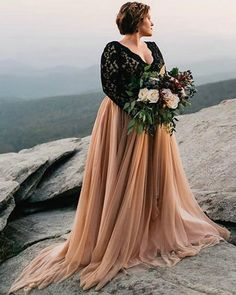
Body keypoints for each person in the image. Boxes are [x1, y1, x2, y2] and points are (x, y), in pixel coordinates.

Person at [8, 1, 231, 294]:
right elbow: (110, 86)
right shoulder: (113, 49)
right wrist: (140, 106)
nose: (153, 23)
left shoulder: (155, 47)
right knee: (123, 171)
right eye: (150, 17)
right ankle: (119, 231)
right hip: (122, 118)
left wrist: (166, 97)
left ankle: (150, 223)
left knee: (153, 171)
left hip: (154, 119)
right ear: (137, 20)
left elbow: (162, 78)